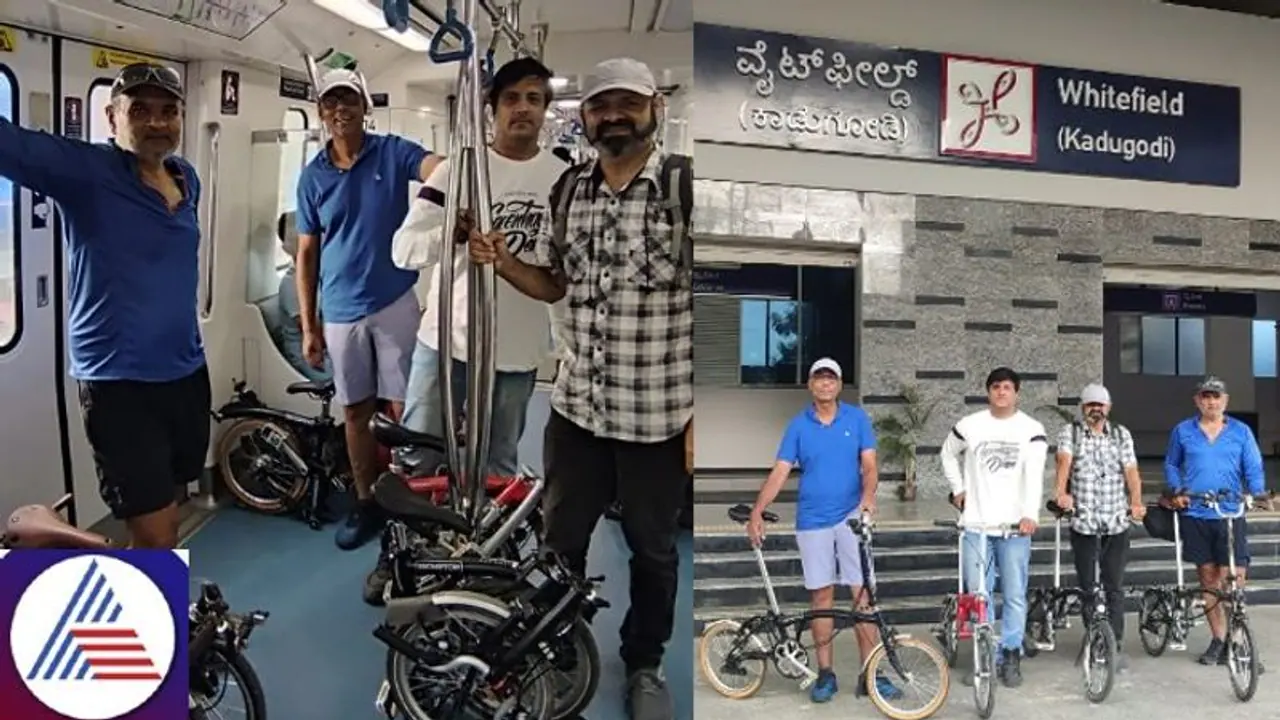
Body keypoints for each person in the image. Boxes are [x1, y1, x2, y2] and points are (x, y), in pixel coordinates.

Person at [469, 57, 693, 720]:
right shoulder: (569, 191)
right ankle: (559, 642)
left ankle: (644, 662)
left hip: (656, 419)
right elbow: (555, 283)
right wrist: (502, 261)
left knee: (653, 553)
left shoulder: (684, 189)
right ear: (586, 117)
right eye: (600, 105)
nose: (613, 115)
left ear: (654, 107)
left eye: (628, 103)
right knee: (560, 541)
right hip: (576, 412)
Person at [366, 57, 568, 604]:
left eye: (534, 99)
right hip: (445, 341)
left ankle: (488, 561)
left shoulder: (561, 179)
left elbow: (563, 270)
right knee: (419, 456)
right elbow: (403, 249)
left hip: (515, 351)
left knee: (498, 465)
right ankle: (400, 553)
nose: (522, 108)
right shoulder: (457, 170)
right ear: (492, 108)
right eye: (512, 98)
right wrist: (450, 234)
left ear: (545, 111)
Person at [0, 63, 207, 548]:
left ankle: (143, 584)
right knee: (156, 534)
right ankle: (43, 537)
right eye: (140, 110)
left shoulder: (187, 178)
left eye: (168, 111)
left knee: (172, 510)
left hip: (186, 373)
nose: (157, 122)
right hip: (121, 383)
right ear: (113, 118)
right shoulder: (87, 171)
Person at [294, 67, 444, 550]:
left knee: (406, 408)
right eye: (331, 101)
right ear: (321, 112)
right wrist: (310, 326)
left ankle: (412, 500)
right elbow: (306, 256)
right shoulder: (312, 177)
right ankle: (366, 502)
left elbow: (436, 167)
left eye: (349, 99)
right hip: (340, 310)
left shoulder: (392, 152)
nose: (340, 109)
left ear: (365, 107)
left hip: (394, 299)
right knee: (355, 410)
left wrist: (443, 194)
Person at [747, 358, 896, 703]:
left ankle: (871, 673)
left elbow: (870, 466)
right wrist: (757, 510)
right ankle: (826, 674)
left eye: (831, 378)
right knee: (821, 597)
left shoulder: (856, 419)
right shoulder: (798, 425)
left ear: (839, 385)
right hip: (812, 520)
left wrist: (868, 499)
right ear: (810, 385)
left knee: (863, 596)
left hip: (851, 518)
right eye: (819, 378)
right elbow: (780, 471)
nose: (825, 384)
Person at [939, 367, 1048, 688]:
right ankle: (983, 655)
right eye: (996, 387)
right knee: (979, 595)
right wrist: (958, 489)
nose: (1001, 392)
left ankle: (1011, 653)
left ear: (1017, 393)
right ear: (988, 392)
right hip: (976, 525)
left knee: (1014, 594)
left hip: (1014, 528)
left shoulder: (1032, 429)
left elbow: (1035, 475)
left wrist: (1030, 514)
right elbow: (947, 454)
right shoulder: (970, 425)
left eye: (1007, 387)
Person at [1164, 376, 1267, 669]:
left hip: (1229, 514)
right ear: (1197, 401)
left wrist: (1257, 493)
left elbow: (1253, 467)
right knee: (1208, 579)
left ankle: (1239, 641)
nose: (1211, 402)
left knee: (1233, 578)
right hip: (1196, 514)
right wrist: (1177, 490)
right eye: (1206, 396)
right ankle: (1219, 639)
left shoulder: (1241, 432)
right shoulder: (1183, 431)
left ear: (1225, 400)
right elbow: (1171, 464)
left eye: (1216, 397)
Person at [1052, 383, 1143, 671]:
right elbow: (1064, 463)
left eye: (1100, 405)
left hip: (1115, 520)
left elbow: (1131, 471)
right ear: (1083, 407)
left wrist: (1136, 502)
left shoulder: (1121, 434)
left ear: (1108, 407)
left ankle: (1115, 644)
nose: (1096, 409)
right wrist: (1061, 494)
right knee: (1089, 587)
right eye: (1091, 404)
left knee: (1114, 586)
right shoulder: (1071, 433)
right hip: (1084, 521)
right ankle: (1094, 639)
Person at [272, 212, 332, 383]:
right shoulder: (292, 284)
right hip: (312, 360)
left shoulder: (319, 276)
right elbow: (318, 338)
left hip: (326, 354)